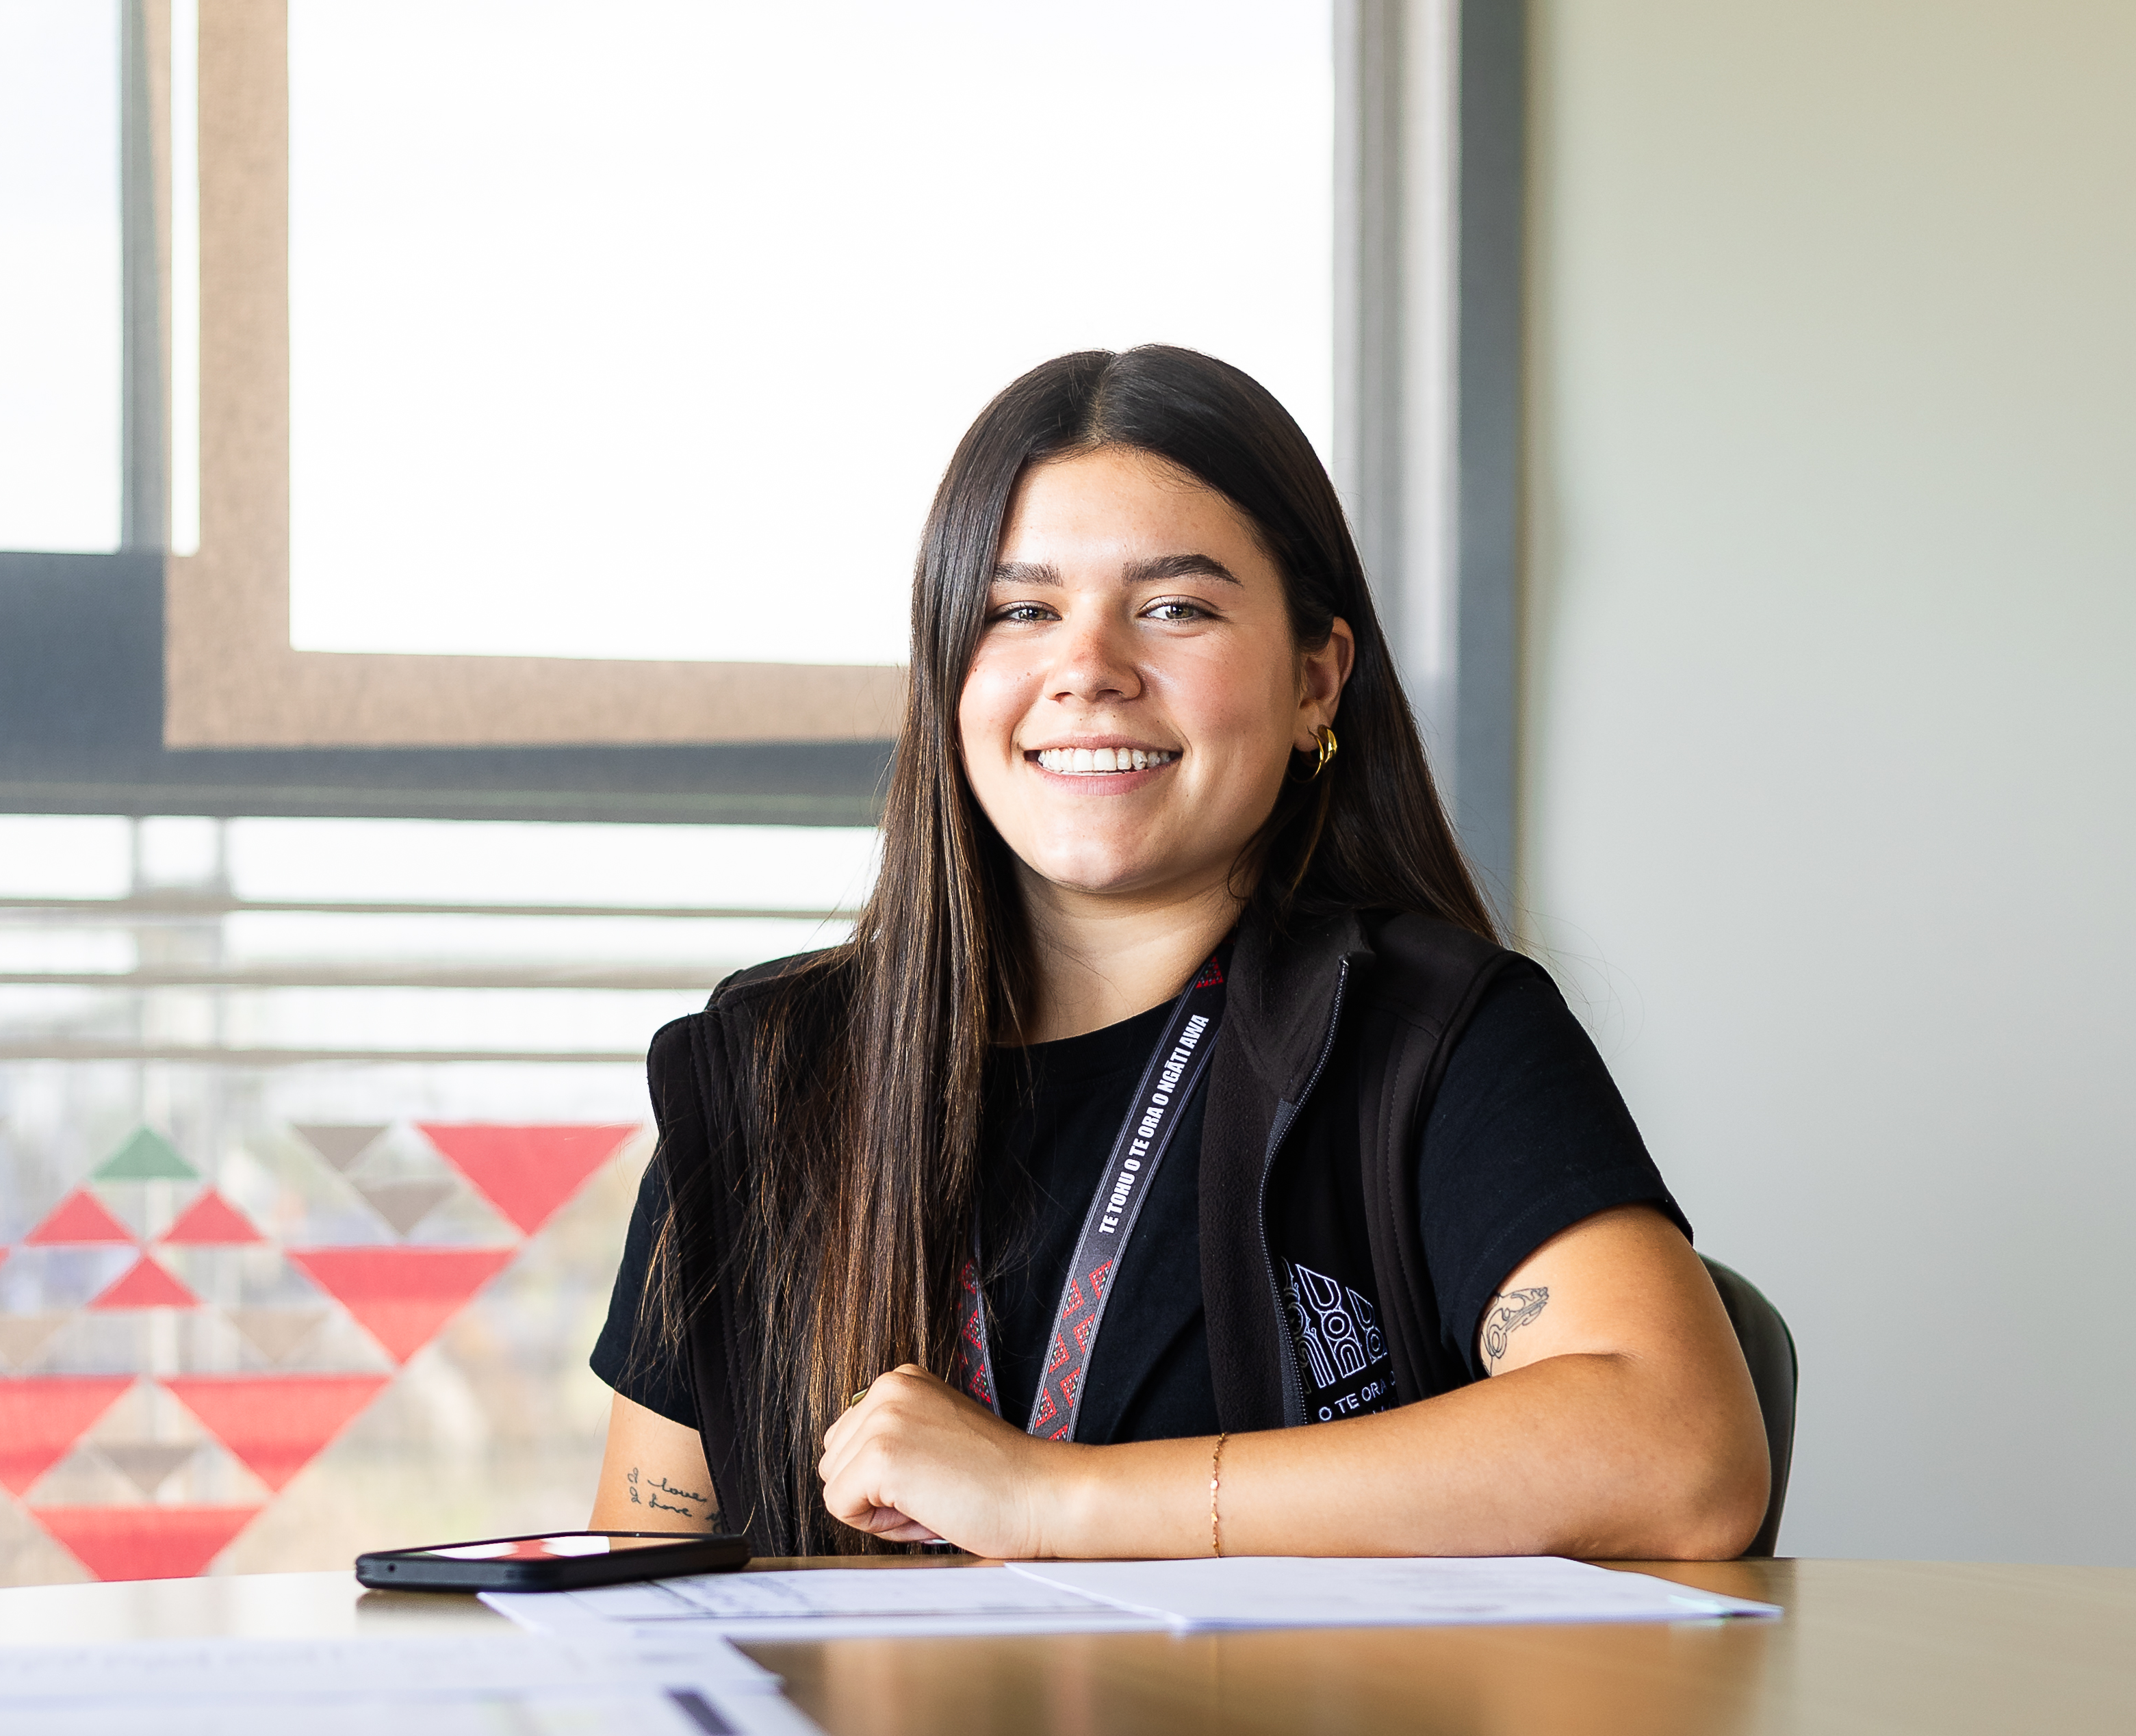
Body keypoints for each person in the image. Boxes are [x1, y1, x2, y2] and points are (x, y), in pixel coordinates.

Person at [587, 346, 1768, 1561]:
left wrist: (1052, 1499)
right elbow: (637, 1586)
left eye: (1175, 607)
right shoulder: (767, 1074)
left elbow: (1682, 1454)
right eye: (1020, 610)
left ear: (1317, 680)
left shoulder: (1434, 1031)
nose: (1088, 669)